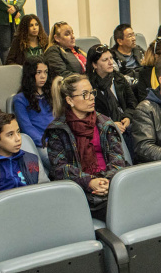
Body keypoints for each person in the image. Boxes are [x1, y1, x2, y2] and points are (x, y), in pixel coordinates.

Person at [44, 74, 129, 218]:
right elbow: (60, 168)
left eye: (92, 92)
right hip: (81, 191)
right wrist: (89, 182)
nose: (91, 97)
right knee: (123, 211)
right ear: (70, 100)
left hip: (111, 184)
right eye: (85, 94)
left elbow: (118, 158)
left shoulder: (105, 123)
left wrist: (105, 181)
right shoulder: (58, 130)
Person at [0, 112, 49, 216]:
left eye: (18, 132)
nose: (18, 138)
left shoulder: (32, 160)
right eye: (10, 134)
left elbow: (45, 189)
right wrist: (1, 212)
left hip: (33, 211)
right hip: (3, 216)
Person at [86, 44, 137, 137]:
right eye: (105, 60)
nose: (111, 63)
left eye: (111, 58)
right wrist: (110, 123)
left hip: (125, 123)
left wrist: (128, 117)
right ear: (94, 64)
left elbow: (132, 103)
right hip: (104, 129)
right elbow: (90, 115)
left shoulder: (119, 78)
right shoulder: (88, 86)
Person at [12, 57, 54, 155]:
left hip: (57, 139)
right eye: (38, 72)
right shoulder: (20, 99)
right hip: (40, 144)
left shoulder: (51, 94)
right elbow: (26, 127)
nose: (43, 76)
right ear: (30, 74)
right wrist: (45, 142)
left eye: (46, 72)